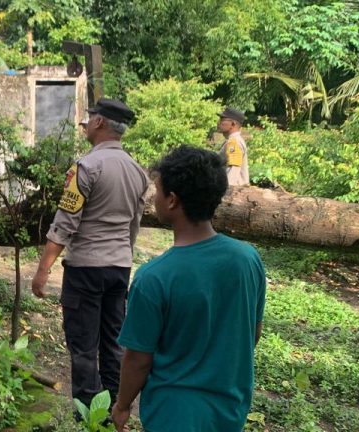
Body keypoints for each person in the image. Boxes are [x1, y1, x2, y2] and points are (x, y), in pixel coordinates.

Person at [112, 146, 266, 432]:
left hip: (173, 415)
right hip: (230, 410)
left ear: (172, 200)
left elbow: (137, 360)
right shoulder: (248, 260)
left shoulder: (153, 278)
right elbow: (251, 334)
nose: (154, 198)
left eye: (157, 190)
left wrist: (122, 406)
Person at [31, 98, 149, 408]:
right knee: (113, 342)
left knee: (83, 345)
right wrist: (122, 253)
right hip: (119, 268)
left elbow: (64, 224)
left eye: (90, 117)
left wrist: (43, 270)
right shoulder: (138, 172)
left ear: (99, 123)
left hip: (85, 270)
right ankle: (112, 406)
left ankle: (88, 412)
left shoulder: (86, 167)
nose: (86, 123)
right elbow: (134, 225)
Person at [217, 106, 249, 186]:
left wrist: (227, 191)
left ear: (233, 124)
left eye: (222, 120)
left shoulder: (233, 142)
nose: (218, 122)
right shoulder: (233, 140)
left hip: (234, 191)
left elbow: (233, 169)